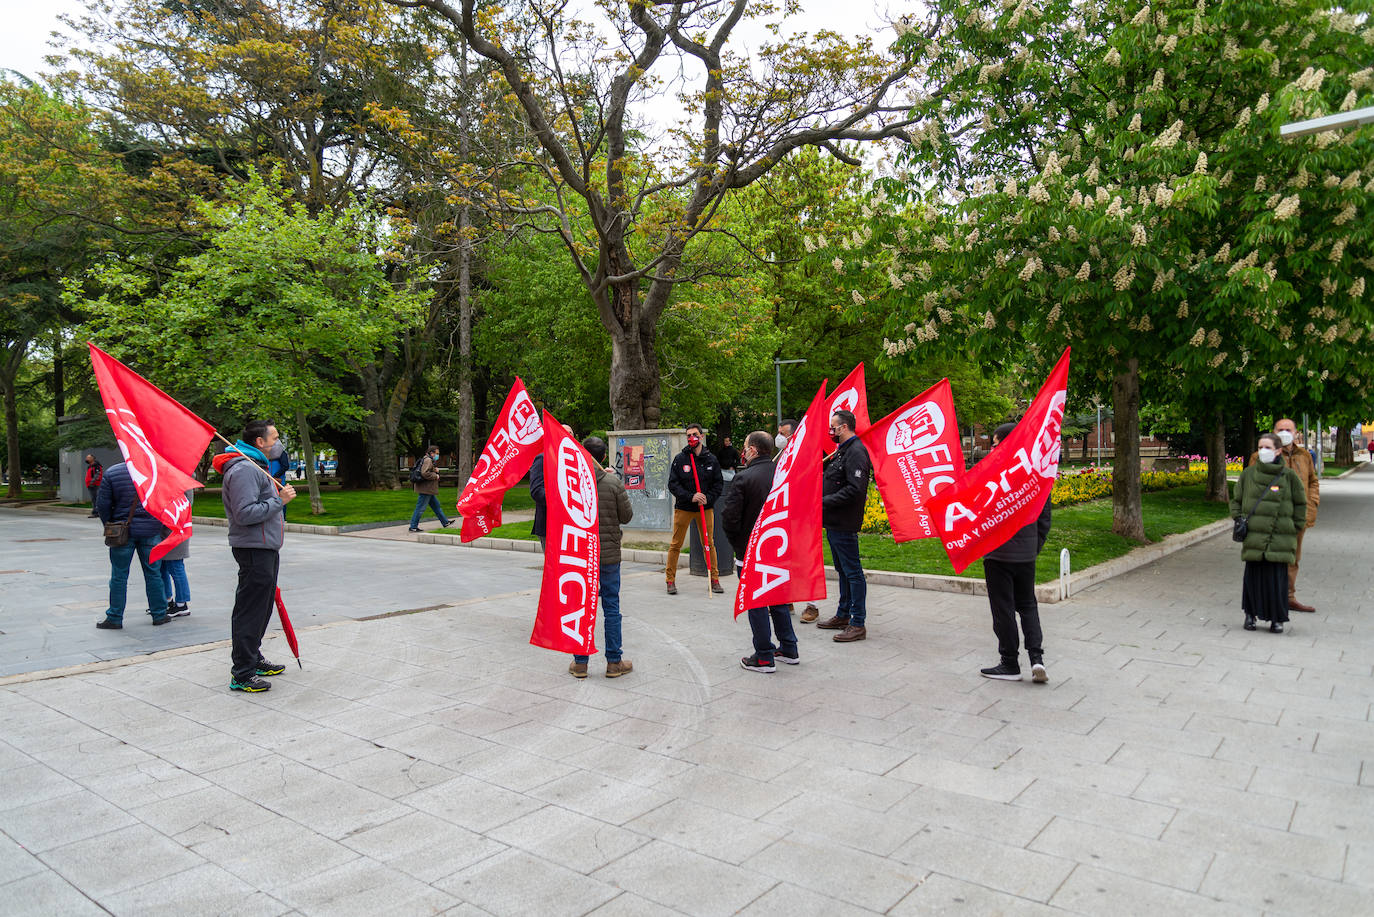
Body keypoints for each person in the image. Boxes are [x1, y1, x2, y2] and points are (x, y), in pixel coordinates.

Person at [213, 420, 297, 693]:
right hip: (253, 549)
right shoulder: (245, 470)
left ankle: (253, 657)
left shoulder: (255, 465)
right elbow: (245, 513)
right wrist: (279, 501)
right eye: (274, 437)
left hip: (265, 547)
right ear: (259, 442)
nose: (277, 443)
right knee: (250, 609)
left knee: (262, 607)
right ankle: (243, 672)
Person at [979, 422, 1053, 682]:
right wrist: (1034, 545)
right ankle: (1037, 659)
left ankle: (1009, 663)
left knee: (1004, 609)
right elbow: (1045, 517)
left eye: (996, 443)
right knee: (1028, 605)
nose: (992, 449)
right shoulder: (1035, 472)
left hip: (998, 555)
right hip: (1026, 554)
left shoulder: (991, 473)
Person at [721, 431, 799, 672]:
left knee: (756, 601)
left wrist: (739, 547)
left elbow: (730, 519)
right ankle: (789, 647)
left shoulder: (744, 478)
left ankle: (764, 655)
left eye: (745, 447)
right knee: (777, 598)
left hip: (751, 551)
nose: (742, 452)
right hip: (778, 547)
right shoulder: (782, 474)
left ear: (753, 450)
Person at [569, 436, 634, 679]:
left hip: (581, 556)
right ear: (604, 456)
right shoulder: (612, 483)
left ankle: (580, 663)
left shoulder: (573, 483)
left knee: (581, 608)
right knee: (611, 607)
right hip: (608, 556)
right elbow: (626, 516)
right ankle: (614, 662)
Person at [1232, 432, 1307, 633]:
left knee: (1277, 580)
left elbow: (1301, 504)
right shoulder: (1248, 474)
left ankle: (1277, 618)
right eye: (1260, 447)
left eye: (1267, 447)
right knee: (1253, 578)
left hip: (1280, 537)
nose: (1262, 451)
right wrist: (1238, 518)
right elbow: (1236, 500)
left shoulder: (1289, 476)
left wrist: (1295, 526)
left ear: (1278, 451)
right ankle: (1250, 615)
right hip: (1255, 536)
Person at [815, 409, 872, 642]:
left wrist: (823, 501)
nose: (831, 431)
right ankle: (843, 614)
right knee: (843, 571)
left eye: (833, 427)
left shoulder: (856, 452)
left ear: (844, 427)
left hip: (844, 521)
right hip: (834, 521)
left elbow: (855, 489)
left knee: (853, 572)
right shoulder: (842, 452)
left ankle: (858, 622)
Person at [94, 461, 169, 629]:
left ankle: (114, 616)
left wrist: (109, 524)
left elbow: (103, 505)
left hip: (122, 531)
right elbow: (166, 499)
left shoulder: (112, 472)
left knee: (119, 576)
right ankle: (159, 614)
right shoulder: (157, 472)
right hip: (151, 530)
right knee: (153, 574)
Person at [1263, 418, 1320, 612]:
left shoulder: (1304, 455)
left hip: (1298, 517)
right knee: (1270, 557)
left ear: (1296, 433)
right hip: (1272, 517)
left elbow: (1313, 481)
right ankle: (1269, 597)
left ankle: (1288, 597)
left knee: (1293, 558)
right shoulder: (1262, 455)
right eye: (1281, 429)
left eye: (1288, 429)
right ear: (1274, 431)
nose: (1285, 432)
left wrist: (1312, 503)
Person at [665, 423, 725, 594]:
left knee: (709, 543)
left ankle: (714, 580)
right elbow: (673, 484)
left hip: (705, 509)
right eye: (689, 435)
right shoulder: (680, 458)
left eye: (695, 434)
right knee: (676, 544)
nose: (692, 438)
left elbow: (718, 484)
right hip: (684, 508)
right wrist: (691, 496)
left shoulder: (711, 459)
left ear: (702, 436)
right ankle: (670, 580)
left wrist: (707, 498)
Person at [408, 444, 454, 532]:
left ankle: (445, 522)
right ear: (431, 453)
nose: (438, 455)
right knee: (420, 508)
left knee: (436, 506)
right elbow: (424, 473)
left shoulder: (427, 459)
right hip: (426, 489)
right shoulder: (428, 460)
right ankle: (413, 526)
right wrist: (435, 476)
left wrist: (435, 470)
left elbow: (427, 470)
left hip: (428, 489)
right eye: (437, 453)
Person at [159, 512, 193, 618]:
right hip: (168, 533)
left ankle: (181, 605)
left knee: (176, 568)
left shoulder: (181, 495)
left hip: (175, 534)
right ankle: (168, 601)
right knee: (163, 568)